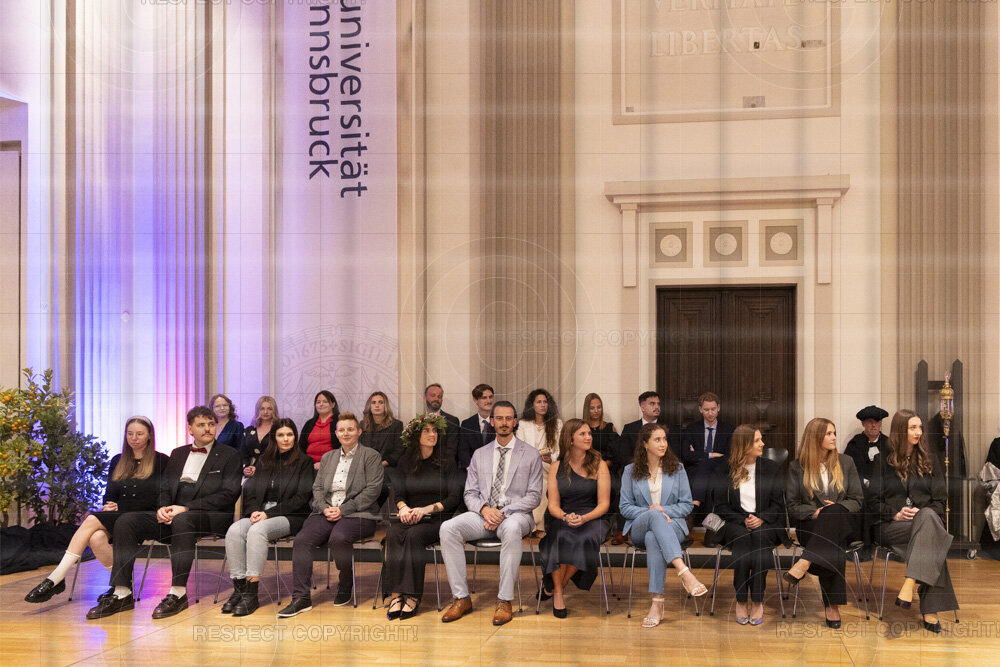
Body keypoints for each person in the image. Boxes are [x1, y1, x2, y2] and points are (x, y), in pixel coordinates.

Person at [86, 406, 242, 620]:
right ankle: (122, 592)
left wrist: (186, 508)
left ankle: (178, 593)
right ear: (190, 428)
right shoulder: (178, 454)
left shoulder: (230, 455)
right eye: (201, 425)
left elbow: (229, 494)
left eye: (211, 424)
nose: (207, 429)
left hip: (209, 516)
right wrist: (163, 507)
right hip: (174, 514)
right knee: (127, 520)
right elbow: (164, 488)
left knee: (183, 520)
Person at [25, 416, 169, 604]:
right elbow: (110, 494)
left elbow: (159, 498)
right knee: (96, 538)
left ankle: (56, 577)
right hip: (119, 515)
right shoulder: (118, 460)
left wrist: (122, 506)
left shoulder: (162, 461)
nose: (134, 438)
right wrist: (109, 504)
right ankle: (122, 584)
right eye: (130, 434)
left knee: (92, 520)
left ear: (149, 435)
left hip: (145, 517)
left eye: (139, 434)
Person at [439, 401, 543, 626]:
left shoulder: (530, 454)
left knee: (512, 528)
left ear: (515, 422)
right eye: (500, 418)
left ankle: (505, 600)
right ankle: (461, 598)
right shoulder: (480, 454)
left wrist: (502, 512)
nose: (504, 423)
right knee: (448, 528)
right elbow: (470, 493)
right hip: (483, 515)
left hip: (516, 515)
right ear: (492, 422)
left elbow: (534, 496)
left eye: (509, 418)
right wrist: (486, 510)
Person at [277, 412, 384, 617]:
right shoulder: (328, 457)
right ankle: (301, 597)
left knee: (339, 537)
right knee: (302, 540)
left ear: (359, 432)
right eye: (341, 430)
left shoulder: (371, 456)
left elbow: (373, 490)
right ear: (336, 433)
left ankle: (346, 579)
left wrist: (343, 510)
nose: (346, 433)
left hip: (359, 514)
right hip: (326, 512)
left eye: (350, 429)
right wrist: (324, 507)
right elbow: (317, 488)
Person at [869, 409, 958, 633]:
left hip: (923, 523)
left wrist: (922, 512)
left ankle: (910, 582)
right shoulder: (882, 461)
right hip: (891, 526)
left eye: (920, 427)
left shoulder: (931, 460)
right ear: (901, 431)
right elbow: (872, 502)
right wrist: (895, 513)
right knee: (933, 535)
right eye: (913, 428)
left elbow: (940, 502)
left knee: (927, 518)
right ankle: (930, 608)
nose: (919, 432)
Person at [222, 418, 315, 616]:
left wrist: (268, 514)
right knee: (235, 530)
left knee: (257, 530)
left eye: (289, 434)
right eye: (281, 435)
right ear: (274, 438)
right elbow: (251, 491)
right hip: (261, 513)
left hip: (290, 516)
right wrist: (254, 511)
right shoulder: (264, 461)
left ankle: (252, 593)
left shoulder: (304, 462)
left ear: (295, 437)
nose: (286, 439)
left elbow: (301, 498)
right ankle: (240, 589)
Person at [620, 422, 707, 628]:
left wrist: (662, 511)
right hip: (640, 526)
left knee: (653, 537)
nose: (663, 444)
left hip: (672, 525)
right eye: (657, 440)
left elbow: (686, 505)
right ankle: (684, 572)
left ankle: (657, 603)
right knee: (654, 517)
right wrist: (653, 512)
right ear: (645, 444)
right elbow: (625, 507)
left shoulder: (677, 469)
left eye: (665, 439)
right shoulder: (630, 471)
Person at [783, 418, 864, 629]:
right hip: (811, 525)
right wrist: (815, 512)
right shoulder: (797, 467)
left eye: (834, 433)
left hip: (843, 524)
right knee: (832, 538)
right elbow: (792, 506)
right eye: (829, 433)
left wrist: (833, 510)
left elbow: (857, 500)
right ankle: (832, 606)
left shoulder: (846, 462)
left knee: (834, 513)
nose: (834, 437)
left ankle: (805, 561)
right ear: (815, 437)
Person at [381, 414, 463, 619]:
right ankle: (396, 594)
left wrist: (425, 510)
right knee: (393, 534)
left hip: (437, 517)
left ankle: (412, 596)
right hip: (411, 514)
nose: (432, 434)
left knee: (413, 536)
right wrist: (403, 508)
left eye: (434, 431)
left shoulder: (447, 461)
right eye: (426, 430)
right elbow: (399, 493)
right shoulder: (405, 461)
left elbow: (454, 498)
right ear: (416, 435)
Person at [536, 419, 612, 618]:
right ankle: (558, 593)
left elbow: (604, 504)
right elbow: (553, 505)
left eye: (589, 434)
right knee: (559, 537)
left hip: (593, 517)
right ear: (570, 439)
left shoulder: (599, 465)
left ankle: (555, 586)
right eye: (583, 434)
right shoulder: (556, 467)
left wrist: (584, 518)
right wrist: (565, 516)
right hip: (564, 516)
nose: (588, 437)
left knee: (582, 539)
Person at [713, 425, 785, 625]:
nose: (762, 444)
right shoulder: (724, 470)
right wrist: (742, 520)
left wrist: (761, 518)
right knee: (743, 538)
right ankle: (741, 599)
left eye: (761, 439)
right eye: (756, 441)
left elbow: (778, 504)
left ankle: (758, 600)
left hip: (766, 522)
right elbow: (720, 506)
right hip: (735, 521)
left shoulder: (771, 468)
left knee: (760, 538)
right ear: (743, 445)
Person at [516, 388, 562, 528]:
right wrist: (535, 457)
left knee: (544, 481)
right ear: (532, 405)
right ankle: (536, 525)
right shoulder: (523, 424)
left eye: (545, 402)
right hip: (529, 468)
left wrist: (551, 458)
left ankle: (538, 525)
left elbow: (560, 451)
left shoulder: (557, 424)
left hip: (549, 467)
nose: (543, 405)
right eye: (539, 402)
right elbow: (519, 450)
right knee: (537, 479)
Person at [583, 393, 626, 543]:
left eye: (599, 407)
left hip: (607, 468)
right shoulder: (582, 428)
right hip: (586, 468)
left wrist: (603, 465)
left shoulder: (608, 427)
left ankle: (616, 527)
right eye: (592, 408)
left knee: (615, 487)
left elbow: (616, 453)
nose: (596, 411)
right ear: (587, 409)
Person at [681, 392, 735, 508]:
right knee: (709, 477)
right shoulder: (692, 428)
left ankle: (696, 504)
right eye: (706, 410)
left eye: (713, 409)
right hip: (696, 469)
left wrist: (699, 454)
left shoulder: (729, 429)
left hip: (720, 467)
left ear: (718, 408)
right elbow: (687, 455)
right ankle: (710, 517)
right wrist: (712, 455)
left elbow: (729, 456)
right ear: (700, 409)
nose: (710, 413)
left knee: (707, 466)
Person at [844, 405, 890, 488]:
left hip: (884, 489)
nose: (874, 425)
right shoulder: (854, 444)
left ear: (880, 423)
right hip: (860, 489)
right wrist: (865, 482)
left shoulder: (888, 443)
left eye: (877, 421)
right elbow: (848, 470)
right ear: (863, 423)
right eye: (870, 421)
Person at [359, 391, 405, 468]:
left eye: (380, 402)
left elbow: (399, 451)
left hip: (387, 467)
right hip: (366, 467)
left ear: (385, 406)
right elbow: (358, 448)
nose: (377, 405)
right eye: (373, 403)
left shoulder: (396, 425)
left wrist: (381, 464)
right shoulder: (362, 425)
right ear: (369, 406)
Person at [298, 390, 340, 469]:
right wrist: (308, 465)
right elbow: (301, 447)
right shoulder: (309, 424)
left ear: (333, 404)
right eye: (318, 402)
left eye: (325, 401)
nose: (321, 404)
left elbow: (343, 447)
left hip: (332, 465)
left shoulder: (339, 422)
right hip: (309, 466)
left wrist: (325, 464)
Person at [458, 383, 496, 472]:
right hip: (472, 471)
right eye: (484, 398)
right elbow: (463, 451)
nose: (489, 401)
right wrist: (471, 470)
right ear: (475, 400)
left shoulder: (500, 422)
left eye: (490, 397)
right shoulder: (466, 424)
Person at [423, 383, 461, 466]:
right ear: (425, 398)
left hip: (443, 466)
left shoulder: (452, 421)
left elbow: (451, 451)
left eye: (439, 396)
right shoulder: (417, 421)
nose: (436, 399)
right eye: (433, 395)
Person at [242, 396, 279, 477]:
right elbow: (243, 454)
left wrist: (259, 469)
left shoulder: (279, 430)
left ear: (274, 410)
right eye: (262, 409)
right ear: (257, 410)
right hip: (249, 471)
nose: (265, 412)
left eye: (269, 409)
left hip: (272, 471)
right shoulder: (249, 430)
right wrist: (245, 469)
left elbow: (279, 455)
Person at [620, 391, 663, 457]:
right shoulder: (629, 429)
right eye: (652, 404)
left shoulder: (670, 429)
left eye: (658, 404)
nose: (657, 407)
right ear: (643, 408)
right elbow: (624, 456)